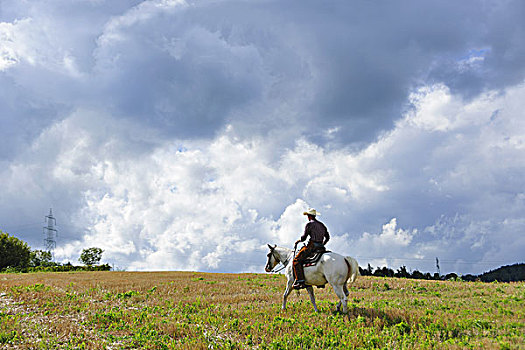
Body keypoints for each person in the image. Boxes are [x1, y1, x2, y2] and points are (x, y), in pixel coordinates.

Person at [292, 208, 330, 289]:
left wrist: (299, 240)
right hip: (321, 248)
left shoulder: (309, 224)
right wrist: (323, 243)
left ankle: (300, 281)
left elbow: (304, 237)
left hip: (312, 246)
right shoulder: (322, 225)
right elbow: (328, 237)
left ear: (309, 216)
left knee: (296, 261)